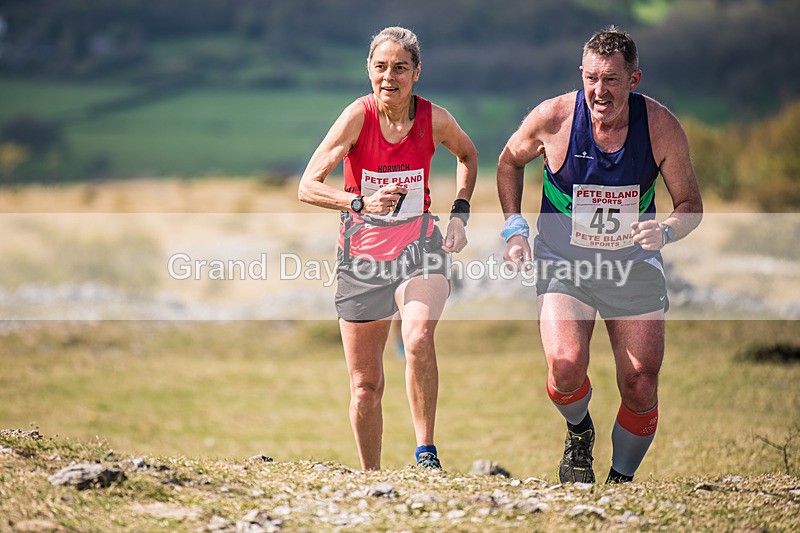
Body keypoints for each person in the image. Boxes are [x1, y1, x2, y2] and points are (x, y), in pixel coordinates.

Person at [497, 26, 702, 483]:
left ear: (634, 79)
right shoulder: (553, 118)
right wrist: (515, 228)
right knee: (565, 365)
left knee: (640, 382)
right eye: (591, 77)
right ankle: (579, 431)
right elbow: (509, 161)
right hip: (563, 262)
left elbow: (691, 205)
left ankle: (620, 482)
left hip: (632, 264)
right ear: (581, 74)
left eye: (611, 79)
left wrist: (665, 231)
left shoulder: (661, 127)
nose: (599, 90)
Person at [298, 26, 478, 471]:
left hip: (420, 248)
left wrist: (459, 213)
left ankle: (426, 454)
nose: (389, 77)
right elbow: (307, 186)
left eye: (400, 68)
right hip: (361, 258)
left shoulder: (434, 119)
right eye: (380, 67)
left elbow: (469, 156)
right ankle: (372, 479)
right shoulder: (357, 117)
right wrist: (358, 201)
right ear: (369, 71)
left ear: (417, 72)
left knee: (417, 338)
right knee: (365, 386)